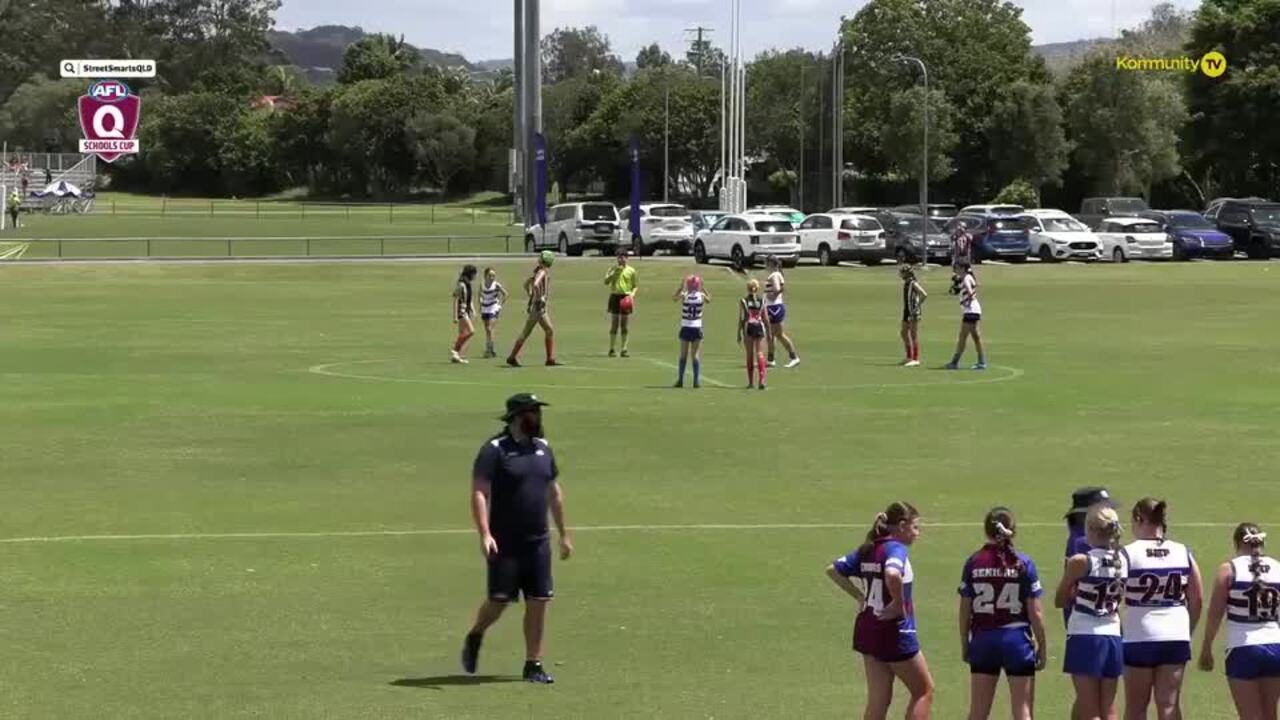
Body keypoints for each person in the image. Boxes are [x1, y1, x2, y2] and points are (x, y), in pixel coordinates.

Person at [461, 393, 573, 684]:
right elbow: (479, 492)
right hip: (505, 543)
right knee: (498, 603)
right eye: (531, 412)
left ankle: (533, 663)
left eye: (538, 412)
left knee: (539, 601)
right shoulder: (494, 450)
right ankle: (476, 634)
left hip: (537, 543)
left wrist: (563, 534)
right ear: (516, 417)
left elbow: (554, 493)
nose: (537, 417)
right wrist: (485, 533)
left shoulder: (544, 449)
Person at [827, 502, 934, 720]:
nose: (918, 533)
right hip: (893, 633)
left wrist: (860, 596)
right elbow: (893, 573)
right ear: (902, 526)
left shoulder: (869, 548)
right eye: (915, 527)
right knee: (923, 691)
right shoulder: (895, 549)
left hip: (867, 630)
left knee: (878, 700)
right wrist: (897, 603)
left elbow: (833, 570)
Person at [958, 507, 1048, 720]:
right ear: (1013, 531)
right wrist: (1043, 646)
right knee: (1022, 710)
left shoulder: (974, 562)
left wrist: (965, 643)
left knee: (978, 712)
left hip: (982, 640)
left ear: (986, 530)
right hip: (1016, 641)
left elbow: (964, 609)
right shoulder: (1023, 563)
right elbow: (1035, 612)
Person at [1122, 498, 1203, 720]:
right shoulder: (1182, 551)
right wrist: (1188, 630)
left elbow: (1113, 593)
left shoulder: (1128, 553)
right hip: (1175, 634)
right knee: (1169, 705)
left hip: (1139, 635)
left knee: (1136, 707)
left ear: (1139, 518)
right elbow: (1197, 598)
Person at [1198, 523, 1280, 718]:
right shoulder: (1278, 567)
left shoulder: (1229, 570)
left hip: (1243, 648)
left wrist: (1206, 648)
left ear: (1236, 544)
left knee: (1250, 716)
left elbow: (1215, 613)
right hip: (1276, 647)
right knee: (1270, 715)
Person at [1056, 504, 1128, 720]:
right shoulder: (1122, 561)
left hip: (1085, 636)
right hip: (1113, 636)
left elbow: (1060, 600)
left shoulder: (1081, 561)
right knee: (1109, 709)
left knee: (1089, 710)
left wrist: (1075, 592)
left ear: (1092, 530)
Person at [507, 251, 560, 368]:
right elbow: (535, 284)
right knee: (547, 330)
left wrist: (531, 295)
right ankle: (549, 359)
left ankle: (512, 357)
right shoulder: (542, 272)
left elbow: (526, 284)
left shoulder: (538, 271)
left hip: (536, 306)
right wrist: (539, 297)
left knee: (532, 331)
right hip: (538, 307)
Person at [945, 265, 986, 371]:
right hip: (974, 311)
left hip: (970, 311)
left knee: (963, 337)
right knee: (976, 337)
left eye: (957, 268)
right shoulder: (970, 277)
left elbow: (970, 291)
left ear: (962, 268)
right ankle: (981, 362)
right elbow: (974, 288)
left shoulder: (966, 278)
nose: (956, 270)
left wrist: (966, 301)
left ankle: (955, 362)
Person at [672, 275, 709, 389]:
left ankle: (680, 380)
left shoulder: (685, 295)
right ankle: (696, 381)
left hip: (686, 326)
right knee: (695, 355)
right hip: (697, 327)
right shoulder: (701, 296)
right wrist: (703, 288)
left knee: (683, 355)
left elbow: (674, 298)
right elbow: (709, 299)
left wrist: (680, 287)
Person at [763, 256, 800, 368]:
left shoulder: (774, 275)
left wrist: (770, 296)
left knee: (779, 335)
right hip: (772, 307)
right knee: (771, 335)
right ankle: (771, 359)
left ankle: (794, 357)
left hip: (774, 308)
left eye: (766, 263)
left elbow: (777, 289)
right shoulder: (776, 274)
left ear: (771, 264)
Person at [603, 250, 638, 358]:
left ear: (627, 258)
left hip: (625, 297)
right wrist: (613, 274)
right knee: (614, 324)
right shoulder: (612, 269)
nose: (621, 259)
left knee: (624, 325)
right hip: (614, 296)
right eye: (619, 257)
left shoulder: (631, 271)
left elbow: (635, 285)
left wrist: (632, 295)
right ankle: (612, 348)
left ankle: (624, 349)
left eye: (623, 257)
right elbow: (606, 282)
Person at [737, 278, 768, 390]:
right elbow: (765, 317)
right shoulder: (762, 300)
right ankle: (762, 379)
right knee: (760, 353)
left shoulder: (743, 301)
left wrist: (738, 333)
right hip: (759, 326)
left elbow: (742, 318)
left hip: (748, 327)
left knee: (749, 354)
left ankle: (750, 382)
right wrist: (768, 332)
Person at [899, 263, 927, 368]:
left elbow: (924, 294)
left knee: (913, 335)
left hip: (913, 312)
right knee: (903, 333)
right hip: (906, 311)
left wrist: (917, 305)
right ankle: (909, 356)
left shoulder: (912, 283)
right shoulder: (906, 283)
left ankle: (915, 359)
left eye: (902, 272)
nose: (900, 275)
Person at [451, 265, 478, 364]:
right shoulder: (462, 284)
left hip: (466, 311)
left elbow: (468, 299)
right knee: (471, 331)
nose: (475, 276)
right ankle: (455, 349)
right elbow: (455, 298)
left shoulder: (468, 284)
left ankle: (456, 356)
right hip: (461, 312)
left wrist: (473, 309)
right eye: (474, 274)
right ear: (470, 274)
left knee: (462, 333)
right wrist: (455, 316)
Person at [478, 267, 508, 359]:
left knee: (490, 328)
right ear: (485, 276)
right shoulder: (482, 284)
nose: (492, 277)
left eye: (493, 275)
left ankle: (489, 350)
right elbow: (479, 294)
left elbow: (505, 294)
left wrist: (500, 304)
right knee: (487, 330)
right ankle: (492, 350)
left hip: (493, 308)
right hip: (484, 308)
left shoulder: (496, 285)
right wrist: (480, 304)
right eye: (490, 275)